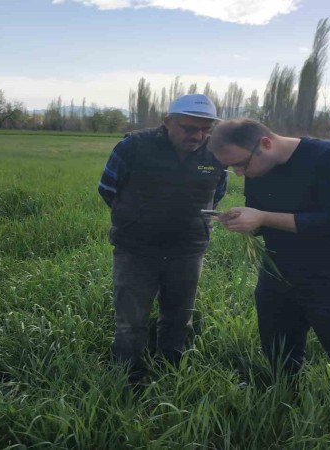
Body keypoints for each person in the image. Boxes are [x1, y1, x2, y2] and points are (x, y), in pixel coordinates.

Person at [207, 119, 330, 448]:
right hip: (277, 274)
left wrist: (263, 217)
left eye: (240, 164)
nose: (238, 173)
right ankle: (287, 417)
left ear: (265, 143)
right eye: (231, 168)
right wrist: (245, 220)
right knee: (280, 354)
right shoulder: (259, 169)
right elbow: (264, 220)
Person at [98, 94, 227, 386]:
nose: (198, 136)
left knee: (179, 318)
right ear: (168, 121)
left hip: (188, 249)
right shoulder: (133, 146)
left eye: (206, 129)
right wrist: (137, 220)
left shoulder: (215, 155)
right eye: (189, 128)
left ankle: (170, 373)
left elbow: (216, 194)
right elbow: (107, 188)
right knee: (131, 321)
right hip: (135, 249)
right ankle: (129, 378)